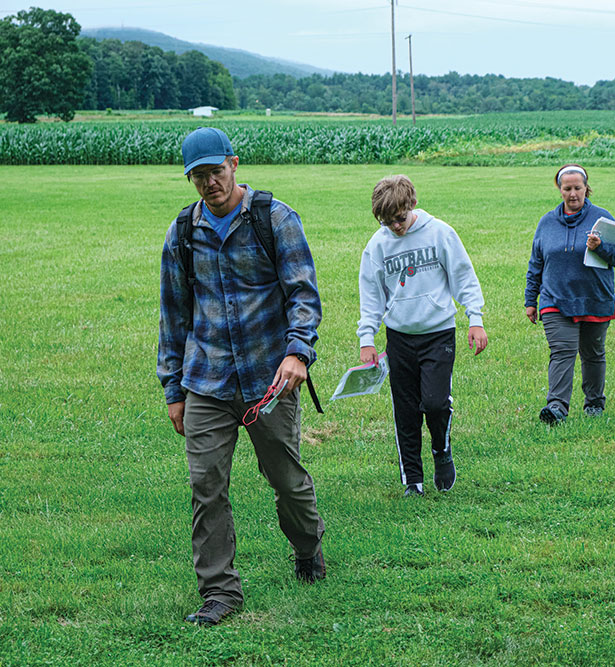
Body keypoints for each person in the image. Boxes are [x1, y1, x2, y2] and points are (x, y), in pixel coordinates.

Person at [157, 127, 327, 627]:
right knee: (206, 485)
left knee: (286, 480)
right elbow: (174, 315)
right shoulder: (183, 233)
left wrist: (298, 354)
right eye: (198, 176)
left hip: (269, 379)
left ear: (234, 164)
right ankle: (220, 594)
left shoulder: (275, 219)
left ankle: (307, 546)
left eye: (216, 171)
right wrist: (173, 388)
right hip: (205, 380)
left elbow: (303, 295)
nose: (209, 182)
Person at [357, 175, 487, 497]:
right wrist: (367, 339)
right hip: (399, 337)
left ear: (411, 204)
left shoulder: (440, 233)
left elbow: (463, 276)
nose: (396, 227)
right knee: (406, 410)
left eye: (399, 219)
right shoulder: (378, 246)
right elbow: (371, 295)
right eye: (387, 222)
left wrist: (475, 318)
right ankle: (412, 480)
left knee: (434, 402)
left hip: (438, 332)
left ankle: (441, 450)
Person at [524, 164, 615, 424]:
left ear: (586, 188)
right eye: (567, 188)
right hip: (555, 299)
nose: (573, 194)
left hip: (594, 298)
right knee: (562, 350)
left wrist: (602, 246)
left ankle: (594, 403)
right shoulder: (546, 223)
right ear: (559, 190)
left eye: (577, 188)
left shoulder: (602, 218)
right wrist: (531, 300)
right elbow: (536, 262)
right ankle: (557, 407)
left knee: (593, 353)